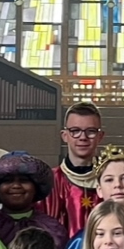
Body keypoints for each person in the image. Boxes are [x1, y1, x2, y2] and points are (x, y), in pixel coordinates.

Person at [0, 151, 65, 249]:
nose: (16, 186)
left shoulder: (52, 229)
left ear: (36, 188)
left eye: (24, 180)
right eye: (8, 180)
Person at [46, 103, 104, 241]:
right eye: (75, 130)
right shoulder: (49, 182)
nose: (83, 137)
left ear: (100, 136)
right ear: (64, 135)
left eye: (91, 131)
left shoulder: (111, 182)